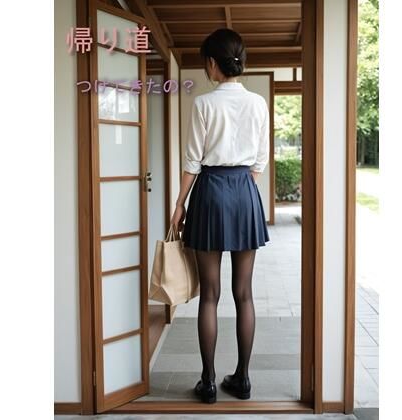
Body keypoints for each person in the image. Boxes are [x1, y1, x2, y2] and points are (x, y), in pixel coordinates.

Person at [170, 28, 271, 404]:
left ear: (212, 63)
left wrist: (180, 204)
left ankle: (209, 382)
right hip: (244, 191)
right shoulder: (258, 103)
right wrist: (241, 188)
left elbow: (192, 161)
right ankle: (242, 379)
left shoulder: (203, 104)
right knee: (244, 294)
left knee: (209, 295)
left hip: (209, 194)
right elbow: (260, 159)